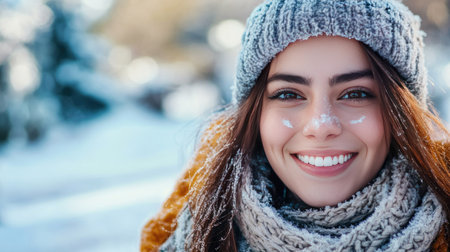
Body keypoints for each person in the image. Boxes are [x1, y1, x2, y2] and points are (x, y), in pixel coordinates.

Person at [141, 0, 449, 251]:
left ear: (402, 111)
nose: (320, 125)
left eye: (356, 94)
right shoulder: (194, 234)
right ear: (256, 114)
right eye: (288, 94)